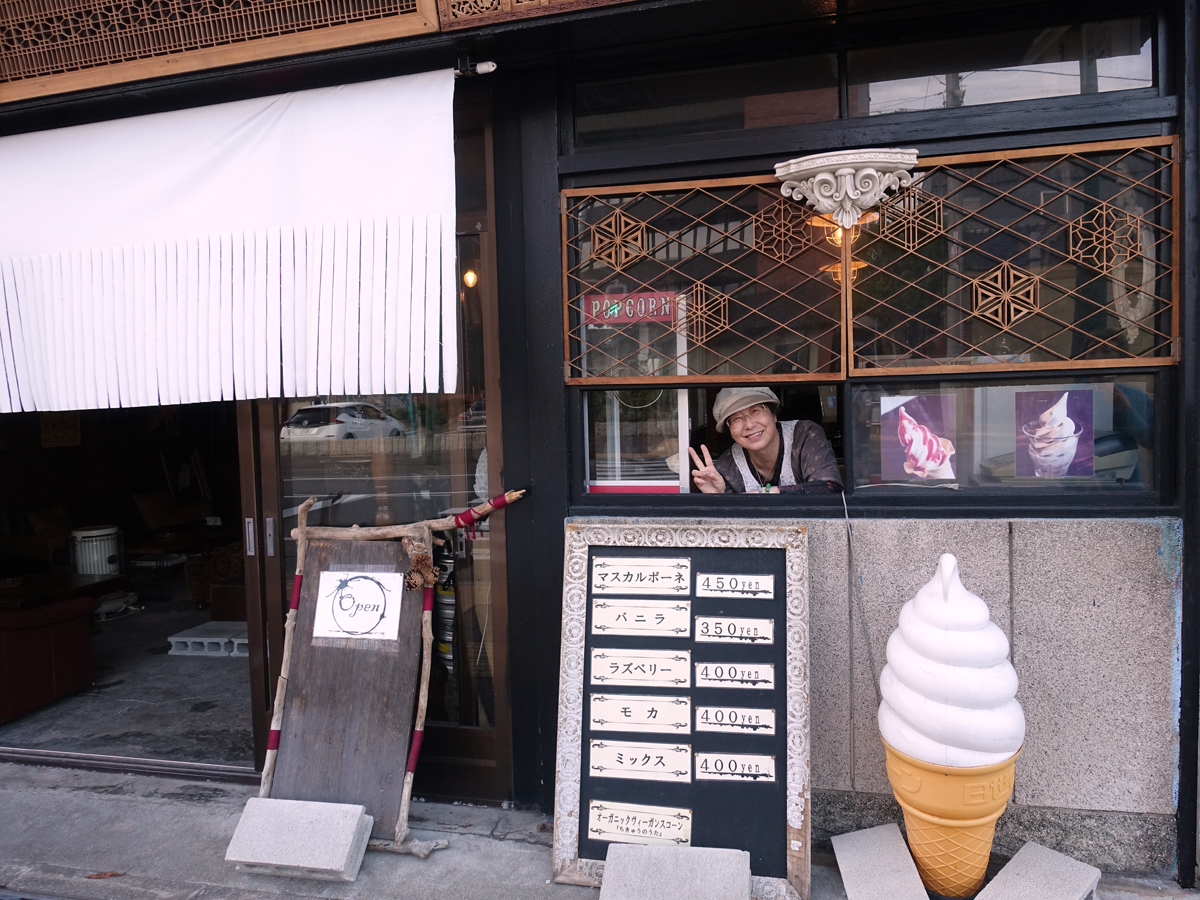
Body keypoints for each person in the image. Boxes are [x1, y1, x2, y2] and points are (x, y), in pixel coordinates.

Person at [688, 386, 842, 494]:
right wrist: (720, 498)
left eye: (756, 410)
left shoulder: (805, 435)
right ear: (730, 430)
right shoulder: (727, 465)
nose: (749, 424)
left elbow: (829, 488)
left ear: (774, 415)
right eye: (736, 418)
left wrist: (770, 493)